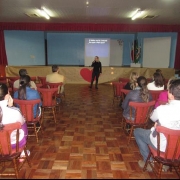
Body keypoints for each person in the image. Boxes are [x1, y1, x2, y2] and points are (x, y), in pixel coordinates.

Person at [134, 79, 180, 172]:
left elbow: (152, 118)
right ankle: (165, 164)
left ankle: (148, 162)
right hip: (178, 149)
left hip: (162, 146)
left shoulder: (162, 109)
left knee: (137, 131)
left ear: (170, 94)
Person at [0, 83, 28, 150]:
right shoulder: (14, 112)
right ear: (7, 95)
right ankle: (22, 152)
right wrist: (12, 107)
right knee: (23, 123)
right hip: (13, 144)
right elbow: (22, 122)